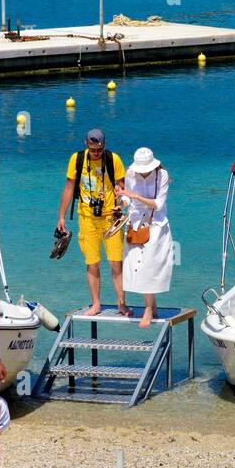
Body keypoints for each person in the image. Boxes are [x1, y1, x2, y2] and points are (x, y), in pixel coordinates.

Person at [55, 128, 129, 316]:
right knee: (92, 262)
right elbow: (69, 187)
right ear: (86, 143)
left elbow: (122, 188)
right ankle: (96, 304)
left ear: (104, 145)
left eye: (99, 149)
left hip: (111, 219)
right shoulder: (77, 159)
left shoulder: (114, 160)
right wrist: (61, 217)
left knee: (115, 262)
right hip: (87, 218)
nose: (96, 152)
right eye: (93, 149)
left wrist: (121, 205)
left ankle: (121, 303)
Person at [117, 147, 173, 328]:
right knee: (137, 266)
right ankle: (152, 306)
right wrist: (121, 201)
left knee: (149, 266)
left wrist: (135, 195)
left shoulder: (162, 174)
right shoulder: (131, 173)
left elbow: (158, 203)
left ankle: (148, 309)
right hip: (135, 225)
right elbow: (128, 201)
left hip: (156, 225)